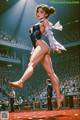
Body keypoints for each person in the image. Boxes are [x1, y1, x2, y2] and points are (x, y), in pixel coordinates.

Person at [9, 4, 66, 109]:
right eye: (38, 11)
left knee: (31, 64)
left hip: (41, 45)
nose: (38, 13)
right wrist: (34, 51)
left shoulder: (45, 22)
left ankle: (21, 82)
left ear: (46, 14)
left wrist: (54, 47)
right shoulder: (39, 23)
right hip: (39, 47)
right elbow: (35, 41)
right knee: (51, 73)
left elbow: (49, 35)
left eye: (41, 12)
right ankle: (59, 97)